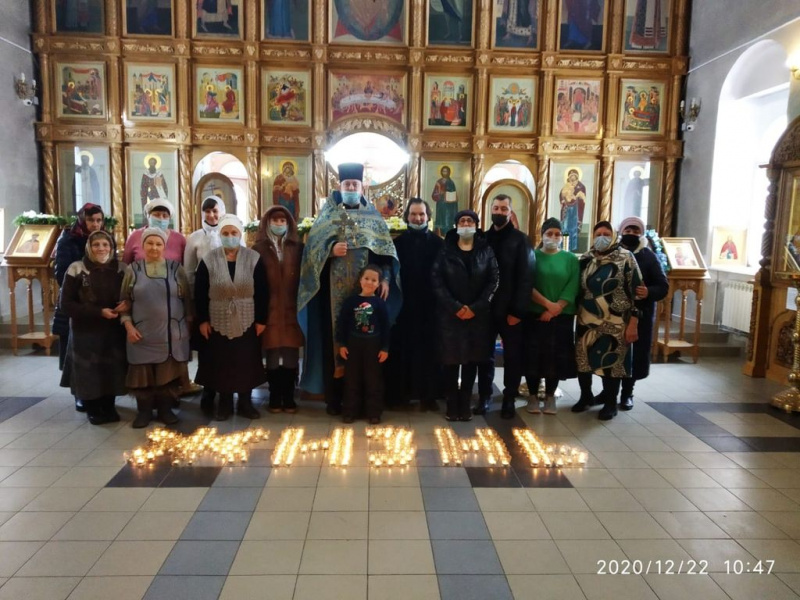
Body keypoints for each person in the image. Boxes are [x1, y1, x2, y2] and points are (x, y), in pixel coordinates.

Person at [297, 163, 401, 416]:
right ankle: (335, 401)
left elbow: (385, 254)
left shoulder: (373, 217)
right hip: (331, 296)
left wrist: (386, 279)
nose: (351, 188)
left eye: (355, 184)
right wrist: (330, 251)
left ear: (362, 186)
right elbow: (311, 254)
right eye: (347, 185)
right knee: (335, 343)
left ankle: (367, 404)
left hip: (369, 295)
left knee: (368, 350)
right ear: (340, 187)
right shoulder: (328, 216)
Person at [194, 215, 268, 420]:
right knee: (222, 362)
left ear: (240, 234)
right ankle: (224, 403)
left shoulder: (253, 258)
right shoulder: (209, 259)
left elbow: (262, 291)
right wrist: (202, 320)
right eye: (225, 233)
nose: (230, 237)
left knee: (246, 361)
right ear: (220, 235)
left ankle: (246, 402)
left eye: (233, 233)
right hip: (217, 318)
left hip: (248, 318)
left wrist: (262, 320)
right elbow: (199, 292)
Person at [119, 227, 193, 428]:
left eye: (158, 243)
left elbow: (188, 302)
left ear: (164, 246)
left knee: (167, 373)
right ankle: (143, 411)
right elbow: (124, 304)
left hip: (171, 335)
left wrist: (186, 329)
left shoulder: (176, 269)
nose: (154, 247)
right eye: (150, 243)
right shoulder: (132, 270)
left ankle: (165, 409)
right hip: (141, 334)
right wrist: (128, 327)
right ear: (142, 246)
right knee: (142, 374)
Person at [431, 210, 499, 422]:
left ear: (477, 225)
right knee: (451, 360)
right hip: (451, 316)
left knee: (471, 360)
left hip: (478, 316)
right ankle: (452, 403)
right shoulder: (445, 250)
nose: (466, 223)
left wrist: (475, 307)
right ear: (456, 225)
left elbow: (493, 280)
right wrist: (455, 307)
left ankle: (465, 401)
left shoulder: (486, 250)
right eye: (462, 220)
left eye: (470, 220)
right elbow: (437, 280)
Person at [571, 221, 643, 420]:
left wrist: (634, 321)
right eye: (598, 234)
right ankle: (585, 396)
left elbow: (638, 292)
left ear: (613, 236)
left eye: (606, 233)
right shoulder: (586, 259)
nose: (601, 237)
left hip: (617, 321)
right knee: (584, 359)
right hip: (587, 320)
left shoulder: (626, 258)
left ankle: (610, 402)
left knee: (612, 362)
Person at [59, 230, 127, 425]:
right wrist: (97, 312)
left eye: (105, 245)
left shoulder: (121, 268)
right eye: (96, 245)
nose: (101, 249)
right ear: (89, 247)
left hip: (113, 329)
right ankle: (92, 407)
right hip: (85, 331)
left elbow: (130, 293)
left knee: (112, 368)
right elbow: (66, 304)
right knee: (89, 370)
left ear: (112, 248)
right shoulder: (76, 268)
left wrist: (127, 304)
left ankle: (109, 405)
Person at [476, 194, 534, 419]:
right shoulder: (483, 238)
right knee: (484, 356)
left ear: (511, 212)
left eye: (504, 209)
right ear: (490, 210)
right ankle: (484, 396)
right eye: (496, 208)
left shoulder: (521, 240)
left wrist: (518, 311)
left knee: (512, 356)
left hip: (511, 310)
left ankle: (509, 397)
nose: (499, 212)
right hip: (486, 309)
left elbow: (526, 277)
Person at [385, 198, 444, 411]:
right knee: (402, 349)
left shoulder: (439, 244)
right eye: (413, 214)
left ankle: (429, 395)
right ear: (406, 217)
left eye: (421, 214)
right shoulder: (397, 243)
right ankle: (401, 394)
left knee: (429, 351)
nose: (418, 218)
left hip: (430, 306)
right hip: (404, 305)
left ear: (428, 217)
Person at [524, 218, 579, 415]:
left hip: (561, 316)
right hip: (535, 315)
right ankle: (531, 396)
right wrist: (547, 306)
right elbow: (527, 284)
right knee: (533, 355)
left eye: (557, 234)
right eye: (549, 233)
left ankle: (549, 396)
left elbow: (573, 284)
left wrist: (557, 307)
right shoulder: (532, 256)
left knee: (555, 356)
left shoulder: (570, 259)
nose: (553, 237)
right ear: (542, 234)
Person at [54, 203, 105, 412]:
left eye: (99, 220)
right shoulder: (68, 239)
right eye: (91, 220)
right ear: (83, 220)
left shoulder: (103, 239)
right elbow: (61, 273)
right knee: (75, 353)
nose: (95, 224)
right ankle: (79, 394)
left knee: (95, 353)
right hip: (76, 304)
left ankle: (98, 392)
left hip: (99, 306)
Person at [253, 205, 304, 414]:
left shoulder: (297, 247)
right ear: (267, 223)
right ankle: (275, 396)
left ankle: (289, 396)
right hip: (270, 308)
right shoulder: (258, 249)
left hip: (292, 307)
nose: (279, 224)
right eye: (275, 220)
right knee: (272, 352)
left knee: (291, 351)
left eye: (283, 221)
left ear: (289, 223)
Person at [616, 216, 668, 410]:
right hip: (615, 313)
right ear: (621, 232)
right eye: (627, 231)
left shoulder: (648, 256)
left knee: (633, 354)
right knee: (613, 352)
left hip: (641, 315)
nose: (631, 235)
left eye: (635, 231)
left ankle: (627, 393)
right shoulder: (614, 253)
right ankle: (607, 391)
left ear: (641, 234)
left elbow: (662, 286)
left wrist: (649, 292)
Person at [184, 195, 225, 415]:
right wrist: (193, 309)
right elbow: (189, 271)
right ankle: (208, 390)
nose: (211, 215)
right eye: (207, 211)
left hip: (228, 300)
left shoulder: (231, 232)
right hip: (204, 298)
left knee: (225, 348)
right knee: (208, 349)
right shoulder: (195, 237)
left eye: (215, 211)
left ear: (222, 211)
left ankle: (226, 390)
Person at [336, 265, 390, 424]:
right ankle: (350, 411)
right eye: (366, 278)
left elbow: (386, 327)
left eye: (374, 280)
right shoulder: (351, 301)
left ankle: (374, 412)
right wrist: (342, 344)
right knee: (352, 379)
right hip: (353, 345)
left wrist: (385, 348)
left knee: (373, 380)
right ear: (360, 280)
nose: (369, 282)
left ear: (378, 284)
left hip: (373, 346)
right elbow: (342, 324)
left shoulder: (380, 304)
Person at [123, 198, 186, 264]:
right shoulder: (135, 236)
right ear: (148, 216)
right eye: (156, 215)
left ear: (169, 219)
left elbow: (185, 267)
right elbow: (125, 265)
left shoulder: (179, 239)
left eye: (165, 216)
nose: (161, 219)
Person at [560, 169, 586, 252]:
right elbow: (561, 196)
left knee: (573, 228)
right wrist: (565, 199)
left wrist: (576, 197)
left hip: (575, 210)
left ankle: (573, 247)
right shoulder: (566, 186)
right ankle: (564, 246)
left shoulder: (581, 186)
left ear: (577, 177)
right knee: (565, 227)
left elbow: (582, 199)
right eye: (571, 177)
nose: (572, 179)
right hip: (567, 209)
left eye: (574, 177)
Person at [432, 165, 459, 236]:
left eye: (446, 171)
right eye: (443, 171)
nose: (444, 173)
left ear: (449, 172)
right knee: (440, 219)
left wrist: (446, 192)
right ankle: (439, 234)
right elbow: (434, 193)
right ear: (441, 172)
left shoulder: (451, 182)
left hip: (449, 205)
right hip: (440, 204)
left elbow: (453, 193)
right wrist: (439, 193)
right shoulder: (439, 181)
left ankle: (448, 235)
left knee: (447, 219)